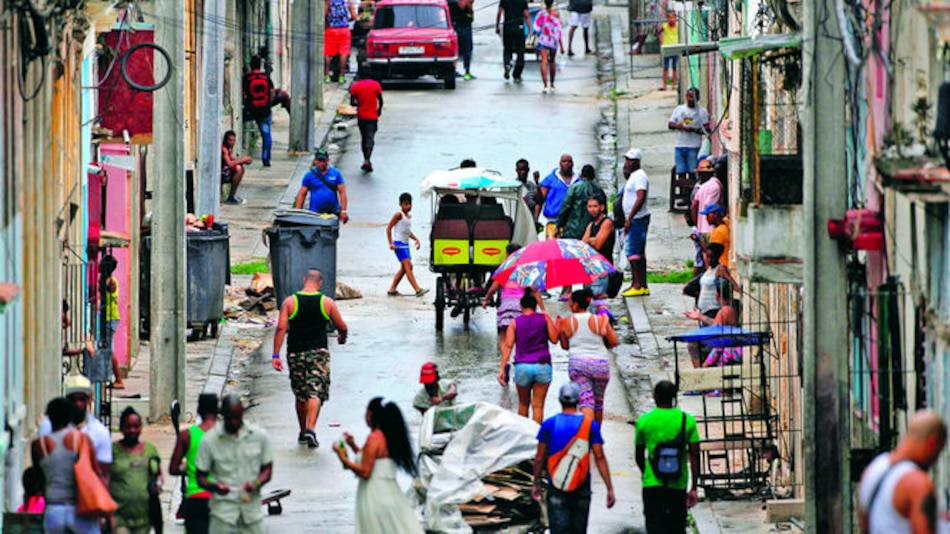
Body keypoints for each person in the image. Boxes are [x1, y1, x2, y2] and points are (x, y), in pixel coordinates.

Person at [272, 269, 349, 448]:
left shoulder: (290, 302)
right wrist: (342, 337)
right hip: (318, 353)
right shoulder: (326, 302)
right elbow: (342, 326)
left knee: (300, 394)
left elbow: (281, 328)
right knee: (315, 391)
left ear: (304, 280)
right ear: (320, 283)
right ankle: (311, 429)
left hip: (295, 353)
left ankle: (302, 430)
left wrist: (276, 355)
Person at [532, 383, 615, 533]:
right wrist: (609, 488)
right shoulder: (590, 425)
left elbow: (539, 457)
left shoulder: (549, 425)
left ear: (559, 400)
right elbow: (599, 457)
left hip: (557, 486)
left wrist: (536, 482)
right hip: (582, 485)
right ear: (579, 401)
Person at [335, 398, 423, 533]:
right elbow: (372, 459)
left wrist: (341, 456)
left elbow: (365, 471)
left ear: (370, 414)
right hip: (390, 492)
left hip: (375, 494)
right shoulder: (389, 436)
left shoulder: (374, 438)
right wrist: (353, 445)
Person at [858, 409, 947, 534]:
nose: (935, 460)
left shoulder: (872, 469)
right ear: (932, 443)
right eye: (938, 452)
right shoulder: (917, 484)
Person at [196, 395, 273, 534]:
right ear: (222, 414)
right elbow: (200, 477)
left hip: (251, 514)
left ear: (242, 413)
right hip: (223, 515)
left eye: (237, 417)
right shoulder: (209, 440)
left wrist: (255, 483)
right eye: (229, 418)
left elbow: (267, 469)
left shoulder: (259, 437)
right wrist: (215, 486)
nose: (233, 422)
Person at [635, 380, 702, 534]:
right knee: (677, 527)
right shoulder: (687, 420)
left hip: (652, 484)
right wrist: (694, 487)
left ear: (655, 396)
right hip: (677, 483)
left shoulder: (644, 420)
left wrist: (647, 474)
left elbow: (639, 455)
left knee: (654, 526)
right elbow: (695, 455)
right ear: (674, 397)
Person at [32, 397, 103, 534]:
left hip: (54, 508)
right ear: (70, 417)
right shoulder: (80, 440)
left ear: (49, 417)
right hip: (80, 508)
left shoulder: (39, 445)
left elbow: (38, 478)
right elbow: (94, 472)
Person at [558, 289, 618, 426]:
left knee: (586, 402)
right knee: (598, 403)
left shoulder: (567, 322)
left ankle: (586, 435)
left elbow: (565, 346)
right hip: (601, 364)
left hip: (578, 365)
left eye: (570, 302)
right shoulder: (600, 320)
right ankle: (595, 438)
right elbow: (614, 341)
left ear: (576, 304)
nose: (569, 305)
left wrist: (560, 328)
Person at [40, 374, 112, 482]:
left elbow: (103, 473)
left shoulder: (100, 432)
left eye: (82, 399)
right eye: (73, 399)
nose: (77, 404)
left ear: (89, 400)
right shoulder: (48, 426)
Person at [499, 291, 557, 423]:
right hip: (543, 366)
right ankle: (537, 439)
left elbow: (508, 346)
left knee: (523, 404)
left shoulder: (515, 323)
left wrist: (502, 368)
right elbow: (554, 339)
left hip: (522, 367)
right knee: (538, 407)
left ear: (521, 307)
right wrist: (555, 323)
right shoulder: (544, 319)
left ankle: (524, 436)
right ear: (536, 306)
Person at [168, 393, 219, 534]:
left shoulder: (187, 435)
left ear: (199, 411)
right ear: (217, 411)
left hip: (195, 498)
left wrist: (187, 468)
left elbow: (173, 469)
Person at [110, 406, 162, 534]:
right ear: (121, 428)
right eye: (128, 426)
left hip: (144, 519)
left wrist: (158, 483)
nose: (132, 430)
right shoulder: (112, 451)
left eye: (136, 426)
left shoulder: (150, 450)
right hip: (119, 517)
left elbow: (158, 473)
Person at [685, 278, 741, 367]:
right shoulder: (735, 304)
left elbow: (715, 330)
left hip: (726, 345)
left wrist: (705, 365)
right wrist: (701, 317)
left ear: (717, 295)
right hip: (728, 342)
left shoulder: (725, 310)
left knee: (693, 344)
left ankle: (700, 372)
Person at [483, 244, 526, 353]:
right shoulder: (524, 270)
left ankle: (505, 360)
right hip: (520, 306)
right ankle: (518, 358)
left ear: (507, 254)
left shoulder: (504, 269)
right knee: (519, 336)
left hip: (506, 306)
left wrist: (486, 299)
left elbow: (493, 288)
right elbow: (533, 289)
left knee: (503, 337)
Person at [620, 149, 651, 297]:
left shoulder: (639, 176)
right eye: (626, 160)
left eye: (630, 160)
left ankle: (637, 284)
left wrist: (629, 218)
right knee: (639, 252)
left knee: (633, 252)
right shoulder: (634, 176)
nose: (627, 163)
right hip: (636, 218)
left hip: (637, 219)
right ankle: (642, 284)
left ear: (637, 162)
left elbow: (640, 197)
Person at [386, 192, 428, 297]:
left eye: (410, 204)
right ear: (400, 204)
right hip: (398, 244)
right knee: (408, 266)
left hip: (406, 244)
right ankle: (417, 290)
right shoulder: (398, 215)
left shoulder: (408, 217)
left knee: (406, 268)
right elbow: (388, 228)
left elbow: (407, 232)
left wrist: (416, 239)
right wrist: (390, 243)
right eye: (405, 204)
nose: (408, 206)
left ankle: (392, 289)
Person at [688, 158, 723, 276]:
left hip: (702, 228)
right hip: (710, 229)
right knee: (709, 259)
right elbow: (710, 207)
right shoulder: (714, 187)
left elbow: (694, 206)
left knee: (702, 258)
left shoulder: (703, 186)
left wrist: (696, 224)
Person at [295, 149, 349, 223]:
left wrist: (343, 211)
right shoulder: (309, 175)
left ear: (328, 160)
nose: (322, 163)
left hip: (332, 212)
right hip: (315, 213)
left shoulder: (336, 173)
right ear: (315, 161)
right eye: (319, 161)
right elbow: (302, 194)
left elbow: (342, 192)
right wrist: (298, 213)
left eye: (324, 161)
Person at [669, 87, 711, 182]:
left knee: (693, 173)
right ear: (686, 97)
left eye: (694, 97)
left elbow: (706, 129)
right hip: (680, 145)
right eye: (690, 96)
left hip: (694, 146)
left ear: (698, 98)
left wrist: (694, 129)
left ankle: (691, 194)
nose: (691, 99)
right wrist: (680, 126)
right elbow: (670, 124)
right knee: (681, 173)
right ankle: (683, 193)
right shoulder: (679, 110)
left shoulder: (702, 112)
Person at [581, 192, 615, 307]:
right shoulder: (591, 225)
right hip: (590, 268)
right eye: (590, 206)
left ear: (602, 207)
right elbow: (582, 245)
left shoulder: (607, 223)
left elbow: (598, 245)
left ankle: (601, 324)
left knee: (597, 303)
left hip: (602, 269)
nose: (592, 209)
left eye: (595, 206)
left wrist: (590, 241)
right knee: (589, 302)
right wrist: (592, 239)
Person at [557, 163, 604, 240]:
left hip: (572, 230)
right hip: (593, 230)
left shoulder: (574, 188)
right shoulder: (599, 190)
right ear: (593, 176)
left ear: (581, 175)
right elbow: (603, 211)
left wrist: (559, 225)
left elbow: (565, 208)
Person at [350, 67, 384, 172]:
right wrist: (379, 110)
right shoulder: (375, 85)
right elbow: (381, 100)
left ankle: (366, 158)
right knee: (370, 137)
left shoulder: (355, 86)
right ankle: (368, 159)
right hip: (372, 116)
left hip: (361, 116)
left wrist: (360, 103)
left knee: (364, 137)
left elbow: (352, 102)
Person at [243, 55, 274, 167]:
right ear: (260, 65)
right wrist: (268, 104)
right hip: (265, 110)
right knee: (267, 135)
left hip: (251, 110)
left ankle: (242, 148)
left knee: (243, 127)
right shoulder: (266, 77)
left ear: (250, 65)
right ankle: (266, 159)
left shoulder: (247, 78)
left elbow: (243, 94)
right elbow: (272, 92)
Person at [539, 154, 578, 238]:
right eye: (564, 161)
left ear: (572, 164)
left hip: (572, 221)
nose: (567, 164)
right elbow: (541, 198)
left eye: (569, 161)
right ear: (560, 164)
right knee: (552, 246)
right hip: (553, 219)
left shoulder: (577, 180)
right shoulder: (551, 178)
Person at [533, 0, 564, 93]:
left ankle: (545, 85)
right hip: (553, 41)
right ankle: (552, 84)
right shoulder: (556, 15)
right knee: (552, 61)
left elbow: (536, 28)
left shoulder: (540, 14)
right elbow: (559, 31)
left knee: (544, 61)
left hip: (543, 40)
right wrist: (561, 45)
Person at [495, 0, 530, 82]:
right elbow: (526, 14)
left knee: (507, 49)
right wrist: (530, 29)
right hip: (519, 27)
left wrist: (497, 25)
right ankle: (517, 74)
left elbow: (499, 12)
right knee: (520, 51)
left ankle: (507, 64)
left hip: (508, 26)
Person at [325, 0, 356, 82]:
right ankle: (341, 76)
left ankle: (327, 75)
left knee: (327, 52)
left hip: (331, 29)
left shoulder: (329, 1)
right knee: (343, 53)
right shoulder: (347, 1)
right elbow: (354, 16)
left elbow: (324, 14)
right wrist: (347, 20)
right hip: (344, 30)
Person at [220, 130, 251, 205]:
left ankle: (233, 195)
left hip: (224, 171)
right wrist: (243, 160)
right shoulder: (223, 149)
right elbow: (230, 164)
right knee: (238, 169)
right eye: (230, 140)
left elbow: (233, 159)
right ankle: (231, 196)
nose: (232, 142)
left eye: (234, 140)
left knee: (241, 167)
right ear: (225, 140)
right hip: (220, 173)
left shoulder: (229, 148)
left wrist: (245, 161)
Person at [450, 0, 475, 80]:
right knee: (457, 50)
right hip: (458, 26)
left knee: (467, 50)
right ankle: (455, 70)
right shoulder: (454, 2)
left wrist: (470, 8)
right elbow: (461, 5)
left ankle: (467, 71)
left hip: (465, 24)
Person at [701, 203, 731, 269]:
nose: (706, 219)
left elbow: (712, 254)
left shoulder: (718, 232)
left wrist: (699, 242)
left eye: (707, 215)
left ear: (714, 215)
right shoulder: (725, 223)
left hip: (720, 265)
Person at [658, 11, 679, 90]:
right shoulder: (665, 26)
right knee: (666, 67)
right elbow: (658, 33)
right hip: (667, 48)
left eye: (673, 17)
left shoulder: (678, 26)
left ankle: (673, 85)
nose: (671, 19)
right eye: (669, 18)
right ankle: (664, 85)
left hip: (675, 48)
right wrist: (662, 42)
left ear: (675, 18)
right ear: (667, 19)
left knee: (674, 68)